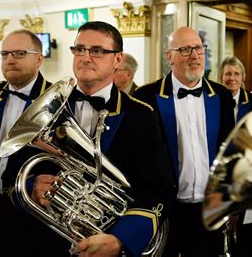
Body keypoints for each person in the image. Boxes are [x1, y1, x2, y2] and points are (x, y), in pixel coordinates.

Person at [31, 21, 175, 257]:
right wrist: (33, 185)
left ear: (117, 60)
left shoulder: (141, 115)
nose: (85, 57)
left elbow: (159, 190)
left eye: (97, 51)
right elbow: (16, 168)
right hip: (49, 241)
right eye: (79, 49)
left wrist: (120, 239)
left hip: (110, 239)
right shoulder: (49, 106)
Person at [134, 26, 235, 257]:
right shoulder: (145, 97)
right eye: (185, 49)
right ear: (169, 56)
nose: (194, 56)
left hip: (209, 209)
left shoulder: (221, 96)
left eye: (199, 48)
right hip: (165, 209)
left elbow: (230, 150)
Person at [0, 29, 70, 256]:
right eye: (4, 54)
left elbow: (61, 159)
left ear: (39, 59)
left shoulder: (58, 100)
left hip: (30, 208)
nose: (10, 60)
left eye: (19, 53)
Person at [218, 56, 252, 257]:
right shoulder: (214, 100)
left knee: (247, 235)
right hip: (221, 174)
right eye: (228, 73)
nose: (232, 78)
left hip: (249, 174)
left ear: (243, 78)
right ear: (221, 77)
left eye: (236, 74)